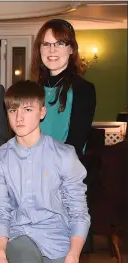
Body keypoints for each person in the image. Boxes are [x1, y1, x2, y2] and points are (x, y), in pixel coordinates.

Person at [0, 80, 90, 263]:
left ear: (42, 112)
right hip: (20, 234)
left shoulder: (64, 155)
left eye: (27, 109)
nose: (19, 117)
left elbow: (79, 213)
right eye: (13, 110)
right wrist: (0, 255)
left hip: (58, 235)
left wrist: (73, 258)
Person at [31, 19, 97, 159]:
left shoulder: (83, 89)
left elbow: (75, 144)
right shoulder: (32, 89)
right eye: (46, 44)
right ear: (39, 49)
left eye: (60, 43)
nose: (52, 50)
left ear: (71, 49)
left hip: (65, 172)